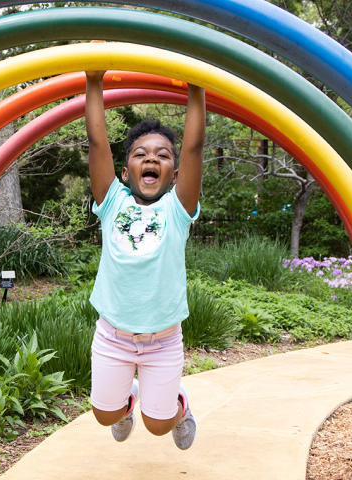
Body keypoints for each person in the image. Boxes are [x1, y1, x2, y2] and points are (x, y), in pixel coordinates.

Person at [83, 70, 205, 450]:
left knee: (158, 425)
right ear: (125, 172)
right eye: (141, 154)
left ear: (174, 175)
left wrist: (197, 87)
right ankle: (128, 399)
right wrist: (93, 81)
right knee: (105, 416)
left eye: (162, 156)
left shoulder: (177, 209)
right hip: (113, 334)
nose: (151, 158)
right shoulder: (112, 201)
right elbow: (97, 142)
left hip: (163, 340)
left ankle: (178, 406)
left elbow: (194, 149)